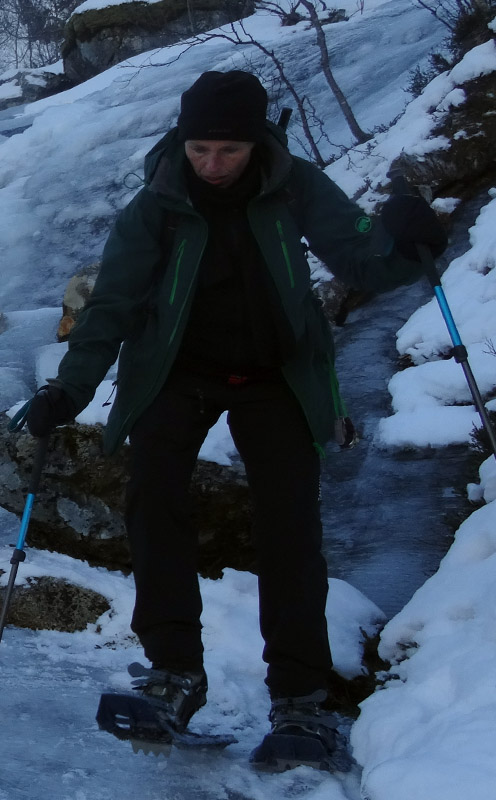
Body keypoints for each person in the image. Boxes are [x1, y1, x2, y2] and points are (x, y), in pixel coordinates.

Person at [24, 71, 447, 766]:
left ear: (257, 142)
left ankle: (302, 702)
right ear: (181, 142)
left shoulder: (294, 184)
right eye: (200, 151)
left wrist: (405, 242)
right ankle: (174, 674)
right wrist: (67, 392)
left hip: (276, 372)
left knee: (289, 524)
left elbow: (359, 257)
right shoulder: (155, 202)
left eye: (228, 151)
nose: (213, 165)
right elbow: (114, 308)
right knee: (153, 501)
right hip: (176, 370)